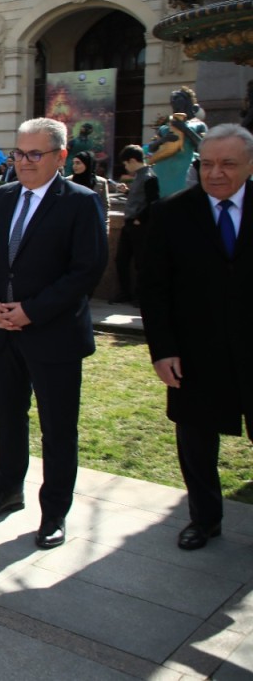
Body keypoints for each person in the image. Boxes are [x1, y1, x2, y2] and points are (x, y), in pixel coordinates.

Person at [0, 118, 108, 549]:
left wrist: (31, 311)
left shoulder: (80, 203)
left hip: (54, 335)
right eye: (18, 153)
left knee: (57, 428)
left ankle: (54, 513)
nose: (23, 162)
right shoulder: (0, 198)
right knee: (9, 418)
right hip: (3, 330)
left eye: (34, 154)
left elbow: (86, 270)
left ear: (60, 157)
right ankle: (8, 490)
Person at [140, 124, 253, 550]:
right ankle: (204, 519)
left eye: (227, 164)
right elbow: (154, 288)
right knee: (196, 440)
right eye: (206, 164)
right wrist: (163, 350)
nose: (215, 173)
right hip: (194, 352)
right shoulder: (173, 213)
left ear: (250, 165)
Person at [110, 145, 158, 305]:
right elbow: (139, 197)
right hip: (129, 223)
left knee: (140, 261)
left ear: (132, 160)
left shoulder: (149, 176)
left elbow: (153, 201)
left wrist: (140, 219)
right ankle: (125, 292)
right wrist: (126, 192)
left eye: (125, 163)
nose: (125, 167)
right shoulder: (139, 176)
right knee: (121, 259)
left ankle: (140, 295)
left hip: (139, 225)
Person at [66, 150, 110, 227]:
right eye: (74, 163)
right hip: (72, 224)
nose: (74, 166)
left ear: (87, 164)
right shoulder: (67, 181)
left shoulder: (101, 182)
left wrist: (104, 227)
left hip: (93, 224)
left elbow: (104, 206)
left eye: (78, 163)